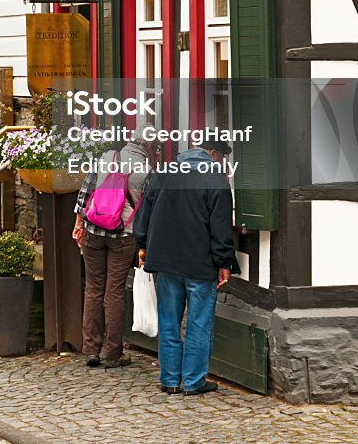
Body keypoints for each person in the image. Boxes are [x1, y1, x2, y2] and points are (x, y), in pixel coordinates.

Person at [133, 132, 237, 396]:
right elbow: (221, 228)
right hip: (200, 264)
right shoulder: (216, 180)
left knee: (169, 321)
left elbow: (144, 212)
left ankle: (169, 380)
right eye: (221, 157)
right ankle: (193, 381)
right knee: (199, 323)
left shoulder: (163, 173)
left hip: (166, 261)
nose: (222, 163)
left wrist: (143, 245)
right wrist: (224, 261)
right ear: (213, 153)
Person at [73, 135, 155, 369]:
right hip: (123, 235)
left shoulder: (108, 157)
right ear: (148, 146)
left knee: (93, 289)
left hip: (93, 230)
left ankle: (91, 350)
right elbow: (147, 209)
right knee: (114, 293)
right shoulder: (146, 169)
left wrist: (78, 226)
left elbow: (84, 195)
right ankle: (113, 353)